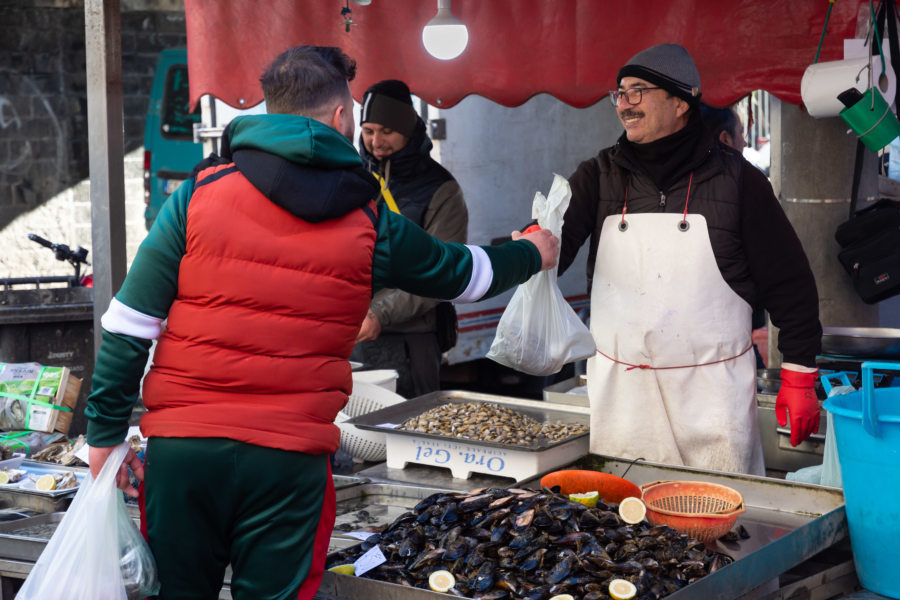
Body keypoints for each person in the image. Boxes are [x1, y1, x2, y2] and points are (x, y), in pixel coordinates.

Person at [84, 45, 558, 600]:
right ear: (341, 117)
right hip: (287, 466)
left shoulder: (195, 197)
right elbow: (461, 274)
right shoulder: (368, 217)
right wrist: (532, 251)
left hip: (185, 457)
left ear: (265, 112)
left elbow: (128, 325)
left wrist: (104, 437)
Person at [559, 43, 822, 476]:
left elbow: (789, 282)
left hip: (712, 400)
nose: (624, 103)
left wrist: (799, 371)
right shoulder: (598, 176)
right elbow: (556, 246)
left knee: (718, 527)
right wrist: (534, 243)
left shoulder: (739, 181)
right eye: (619, 93)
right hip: (624, 398)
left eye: (638, 90)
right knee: (625, 529)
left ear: (681, 101)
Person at [352, 79, 468, 399]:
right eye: (368, 130)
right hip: (354, 336)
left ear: (408, 129)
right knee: (354, 439)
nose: (376, 141)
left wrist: (380, 312)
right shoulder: (351, 180)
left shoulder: (440, 189)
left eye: (387, 131)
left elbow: (443, 270)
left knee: (411, 437)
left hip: (413, 340)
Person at [700, 103, 769, 368]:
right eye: (741, 133)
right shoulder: (747, 187)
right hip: (736, 337)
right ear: (725, 139)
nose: (744, 142)